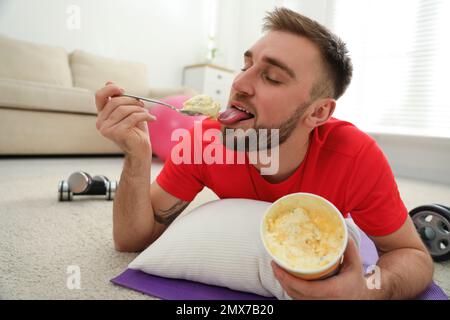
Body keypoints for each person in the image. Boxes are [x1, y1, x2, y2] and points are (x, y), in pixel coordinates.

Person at [95, 8, 433, 299]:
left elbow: (410, 254)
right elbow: (131, 240)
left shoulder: (355, 157)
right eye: (246, 65)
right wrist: (138, 155)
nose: (239, 84)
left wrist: (368, 288)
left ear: (317, 113)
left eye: (270, 77)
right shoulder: (204, 142)